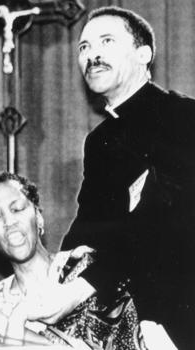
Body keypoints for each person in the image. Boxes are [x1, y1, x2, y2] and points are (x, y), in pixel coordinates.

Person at [59, 6, 195, 349]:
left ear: (144, 54)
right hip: (131, 314)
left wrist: (80, 286)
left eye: (106, 41)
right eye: (84, 48)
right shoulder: (99, 141)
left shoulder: (184, 117)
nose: (92, 55)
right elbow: (91, 224)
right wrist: (61, 263)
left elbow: (162, 222)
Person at [0, 171, 142, 349]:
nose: (9, 222)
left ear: (38, 217)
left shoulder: (85, 270)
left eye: (17, 209)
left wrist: (1, 318)